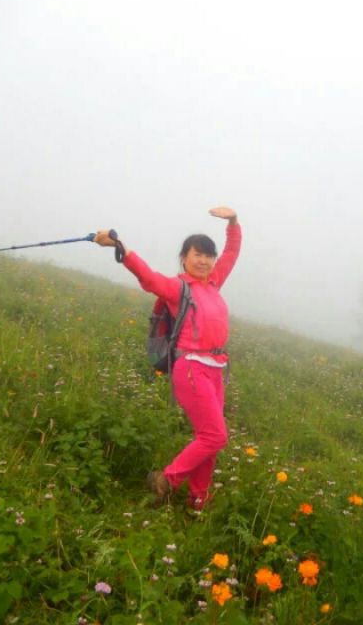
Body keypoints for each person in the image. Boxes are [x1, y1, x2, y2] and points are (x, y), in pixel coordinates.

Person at [94, 207, 241, 510]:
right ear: (184, 258)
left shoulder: (214, 282)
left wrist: (233, 222)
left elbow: (232, 253)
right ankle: (167, 480)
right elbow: (148, 278)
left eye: (208, 256)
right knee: (215, 436)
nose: (204, 261)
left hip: (216, 369)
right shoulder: (178, 287)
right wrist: (120, 247)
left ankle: (198, 500)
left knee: (208, 439)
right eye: (197, 254)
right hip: (191, 368)